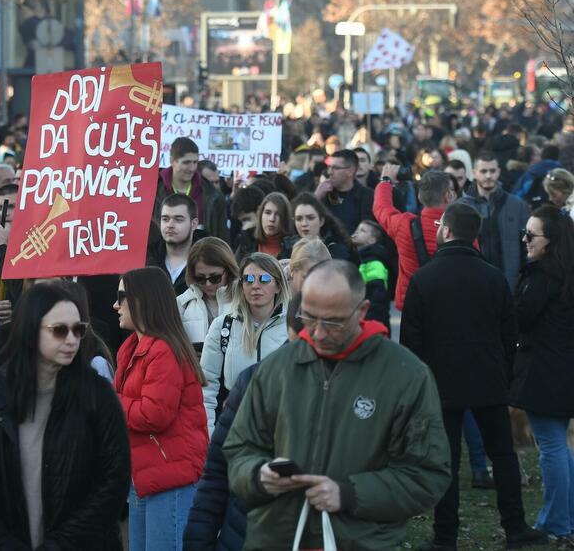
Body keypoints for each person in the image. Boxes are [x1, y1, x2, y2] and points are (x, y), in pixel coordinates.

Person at [223, 260, 452, 550]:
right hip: (276, 539)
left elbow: (428, 474)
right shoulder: (276, 369)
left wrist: (349, 494)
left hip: (360, 541)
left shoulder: (406, 376)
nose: (317, 333)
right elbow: (238, 450)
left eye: (332, 322)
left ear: (362, 312)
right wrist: (259, 475)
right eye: (309, 317)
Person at [401, 202, 544, 550]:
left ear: (447, 231)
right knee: (503, 455)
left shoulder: (424, 279)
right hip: (488, 379)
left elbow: (410, 343)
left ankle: (445, 536)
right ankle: (515, 527)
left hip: (440, 383)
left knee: (446, 461)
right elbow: (509, 334)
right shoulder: (493, 277)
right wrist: (503, 372)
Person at [0, 283, 131, 549]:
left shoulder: (97, 394)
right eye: (60, 330)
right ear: (31, 330)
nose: (72, 339)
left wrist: (60, 545)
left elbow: (113, 482)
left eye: (78, 329)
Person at [183, 293, 304, 551]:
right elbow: (218, 472)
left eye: (333, 323)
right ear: (292, 331)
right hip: (246, 532)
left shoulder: (358, 391)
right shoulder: (253, 382)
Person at [114, 267, 208, 549]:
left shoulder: (162, 350)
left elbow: (154, 415)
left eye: (121, 296)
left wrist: (111, 402)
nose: (115, 305)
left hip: (171, 479)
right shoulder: (131, 347)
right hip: (146, 476)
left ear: (143, 300)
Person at [509, 206, 574, 542]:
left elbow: (521, 319)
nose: (525, 239)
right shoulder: (565, 273)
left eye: (531, 235)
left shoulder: (543, 277)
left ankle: (556, 523)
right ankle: (564, 518)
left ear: (552, 241)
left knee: (551, 447)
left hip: (544, 374)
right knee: (559, 447)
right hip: (561, 371)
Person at [200, 253, 290, 434]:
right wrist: (209, 434)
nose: (255, 285)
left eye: (264, 279)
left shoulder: (293, 327)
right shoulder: (223, 326)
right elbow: (206, 388)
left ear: (278, 285)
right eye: (248, 279)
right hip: (233, 428)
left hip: (280, 428)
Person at [374, 166, 454, 310]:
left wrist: (385, 181)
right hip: (449, 303)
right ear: (448, 196)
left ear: (419, 196)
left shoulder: (404, 225)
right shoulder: (461, 228)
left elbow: (381, 208)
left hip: (412, 304)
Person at [460, 151, 529, 290]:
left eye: (492, 171)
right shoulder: (461, 207)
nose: (488, 175)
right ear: (474, 173)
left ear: (499, 172)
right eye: (483, 171)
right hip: (473, 283)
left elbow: (527, 245)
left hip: (509, 284)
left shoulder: (517, 205)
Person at [153, 137, 229, 241]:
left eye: (195, 162)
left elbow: (222, 236)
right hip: (162, 255)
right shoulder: (153, 192)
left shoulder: (213, 194)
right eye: (186, 162)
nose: (192, 168)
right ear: (172, 161)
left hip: (202, 255)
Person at [176, 237, 238, 355]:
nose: (208, 284)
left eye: (215, 278)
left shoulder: (245, 298)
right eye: (200, 278)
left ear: (229, 270)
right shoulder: (181, 304)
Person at [147, 194, 202, 296]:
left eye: (178, 219)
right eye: (165, 219)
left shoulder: (208, 260)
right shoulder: (146, 260)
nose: (170, 225)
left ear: (194, 224)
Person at [314, 149, 376, 235]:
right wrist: (316, 197)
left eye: (335, 168)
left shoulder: (367, 196)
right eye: (329, 167)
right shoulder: (323, 193)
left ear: (350, 171)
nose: (329, 172)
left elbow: (366, 232)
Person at [286, 192, 357, 261]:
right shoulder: (288, 249)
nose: (304, 223)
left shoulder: (337, 250)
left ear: (321, 221)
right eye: (299, 219)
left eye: (310, 218)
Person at [350, 220, 392, 327]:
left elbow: (378, 295)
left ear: (372, 240)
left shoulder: (374, 262)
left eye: (362, 231)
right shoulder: (360, 258)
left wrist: (367, 321)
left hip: (372, 321)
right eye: (357, 229)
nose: (357, 232)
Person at [233, 192, 293, 259]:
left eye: (278, 214)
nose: (272, 219)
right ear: (261, 214)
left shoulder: (293, 246)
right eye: (267, 212)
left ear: (285, 218)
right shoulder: (246, 240)